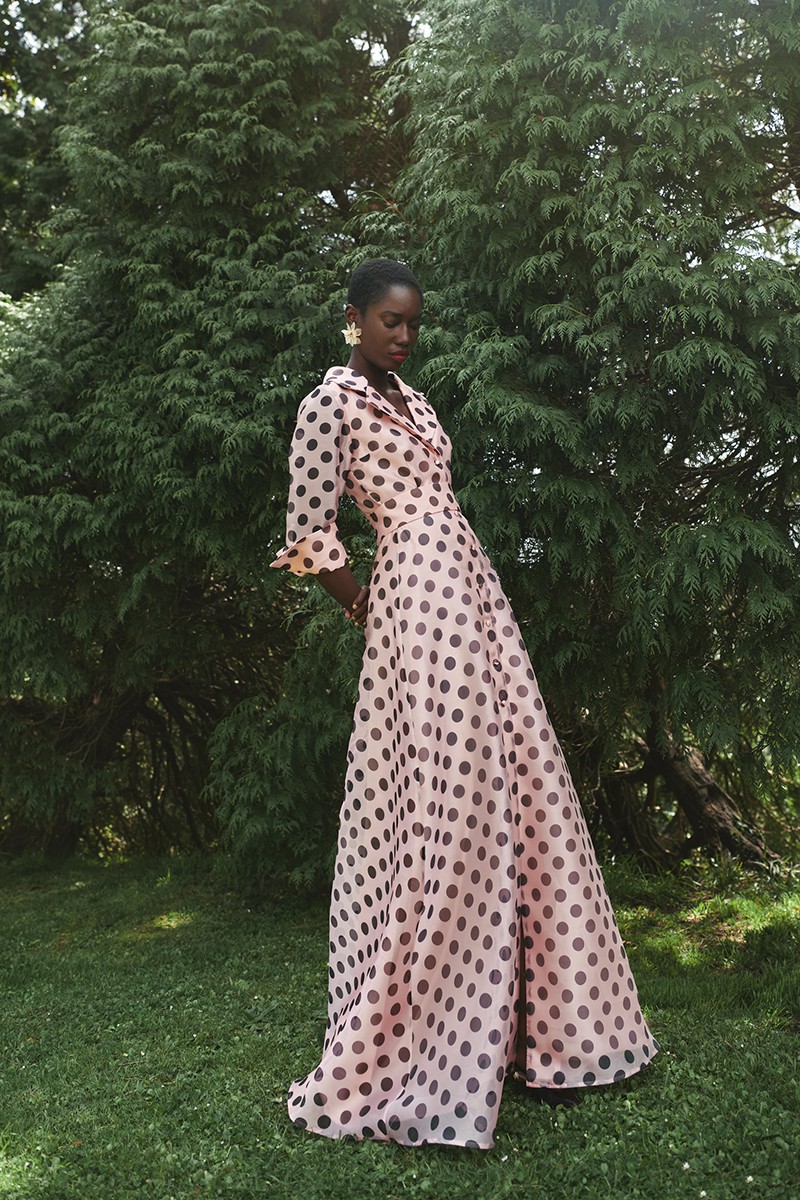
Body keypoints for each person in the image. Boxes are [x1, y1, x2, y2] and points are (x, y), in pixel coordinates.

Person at [270, 258, 658, 1150]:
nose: (404, 337)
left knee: (522, 781)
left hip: (471, 593)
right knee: (454, 795)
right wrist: (364, 602)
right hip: (415, 598)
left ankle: (553, 1040)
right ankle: (440, 1041)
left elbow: (439, 502)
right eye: (390, 323)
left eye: (413, 324)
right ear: (353, 320)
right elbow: (307, 529)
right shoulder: (329, 403)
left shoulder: (420, 404)